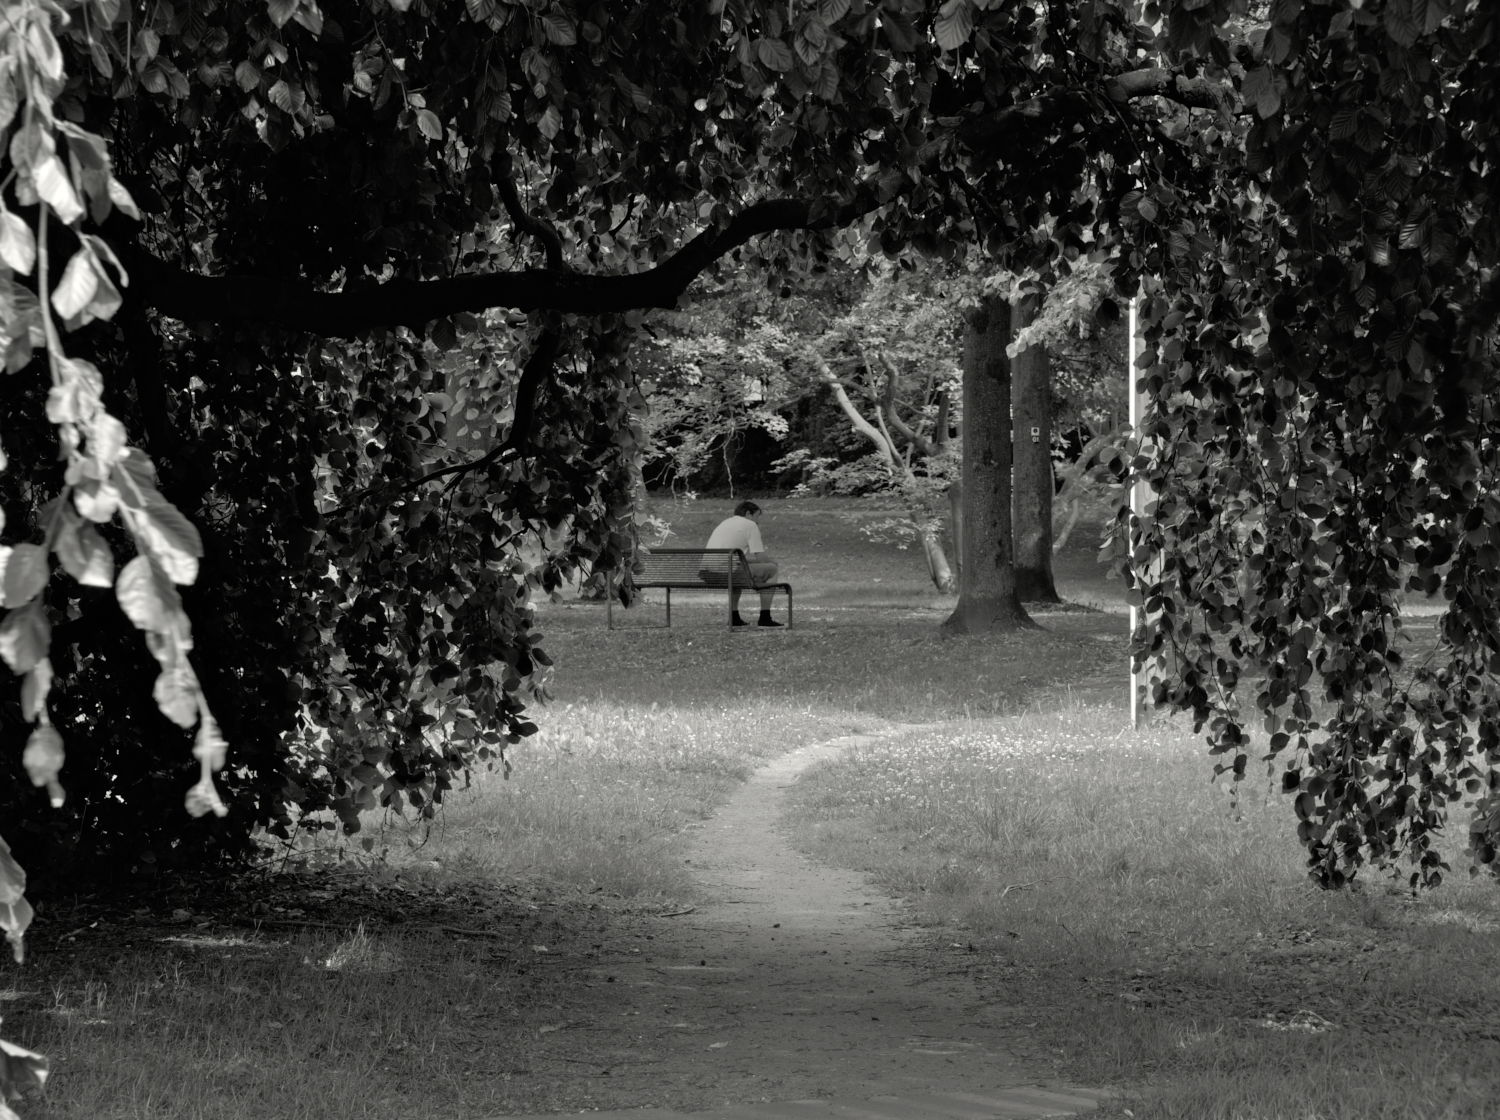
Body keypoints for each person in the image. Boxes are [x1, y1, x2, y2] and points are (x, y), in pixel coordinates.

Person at [705, 500, 783, 627]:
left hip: (708, 574)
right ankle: (765, 617)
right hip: (727, 572)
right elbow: (761, 557)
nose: (757, 521)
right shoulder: (750, 525)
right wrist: (773, 562)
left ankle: (734, 617)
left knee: (737, 571)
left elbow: (739, 560)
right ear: (748, 514)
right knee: (772, 569)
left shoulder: (725, 523)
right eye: (757, 516)